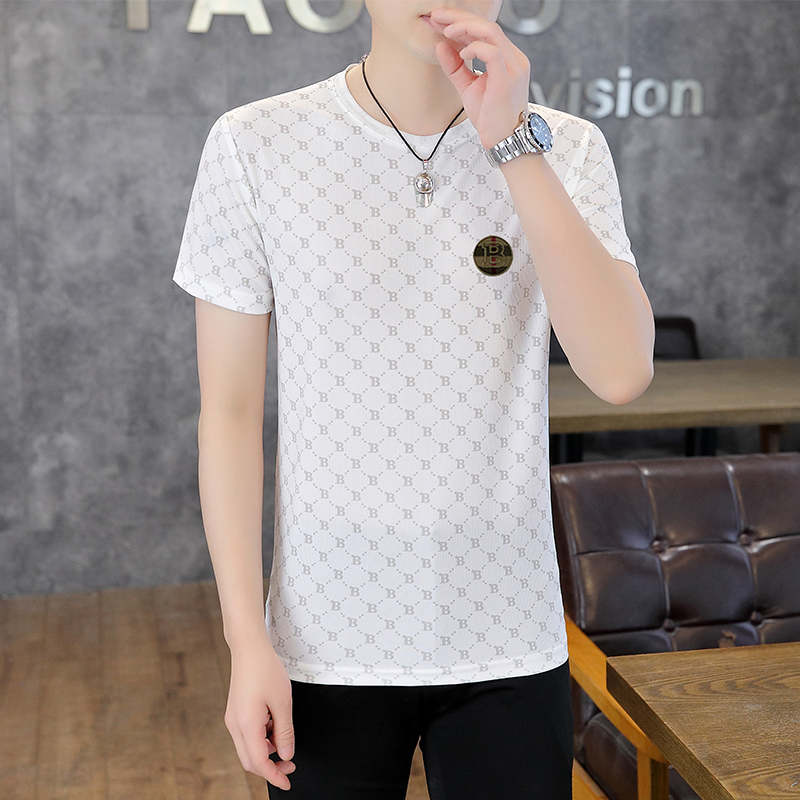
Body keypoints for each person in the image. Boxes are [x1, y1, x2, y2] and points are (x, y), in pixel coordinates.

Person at [172, 1, 655, 797]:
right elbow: (227, 415)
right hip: (325, 637)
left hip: (507, 629)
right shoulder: (255, 144)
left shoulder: (566, 148)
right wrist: (245, 641)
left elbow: (620, 372)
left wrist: (511, 143)